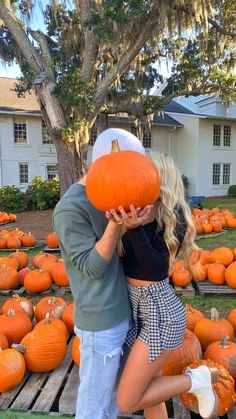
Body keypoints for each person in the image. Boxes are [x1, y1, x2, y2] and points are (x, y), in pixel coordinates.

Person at [106, 151, 219, 419]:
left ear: (159, 179)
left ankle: (198, 380)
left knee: (127, 400)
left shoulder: (173, 215)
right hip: (138, 310)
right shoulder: (135, 210)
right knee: (149, 394)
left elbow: (156, 270)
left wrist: (135, 229)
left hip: (160, 314)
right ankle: (197, 381)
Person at [52, 128, 146, 419]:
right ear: (108, 164)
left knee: (111, 404)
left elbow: (120, 254)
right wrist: (115, 226)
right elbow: (92, 267)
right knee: (93, 410)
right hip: (99, 323)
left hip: (122, 314)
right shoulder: (69, 209)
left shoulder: (112, 195)